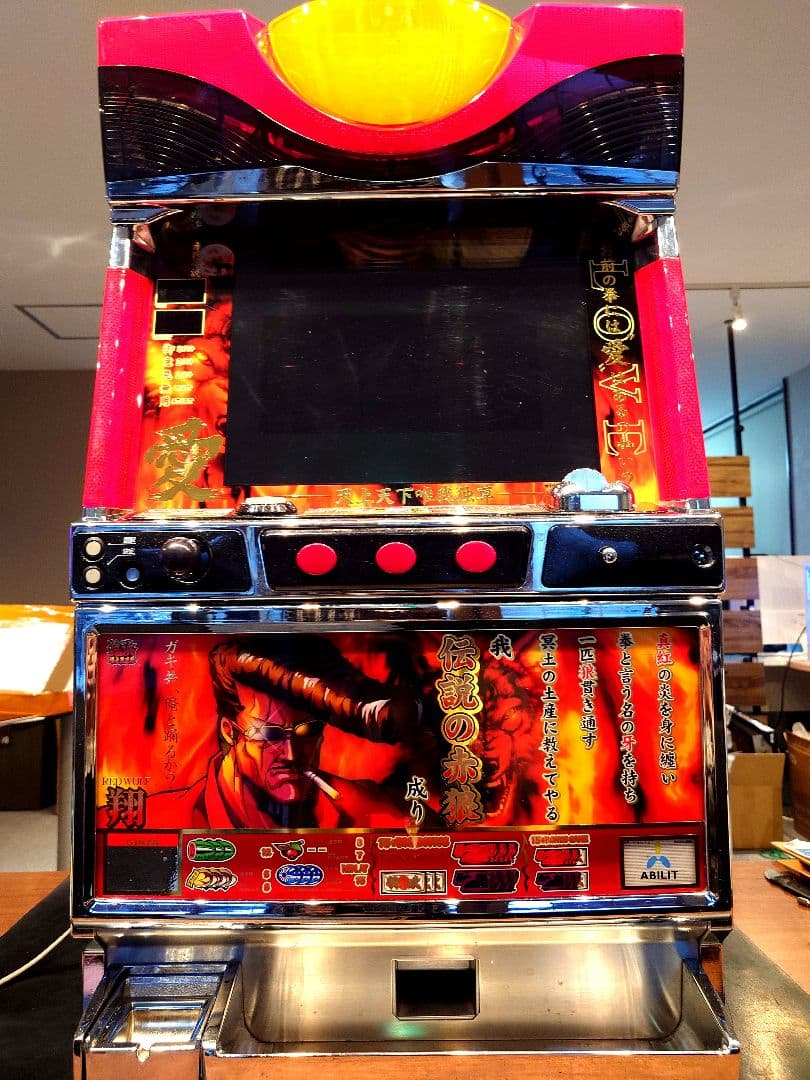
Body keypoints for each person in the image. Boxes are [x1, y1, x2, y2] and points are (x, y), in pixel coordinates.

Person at [144, 636, 431, 830]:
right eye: (270, 735)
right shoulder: (156, 820)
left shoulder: (378, 812)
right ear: (230, 731)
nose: (291, 755)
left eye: (308, 731)